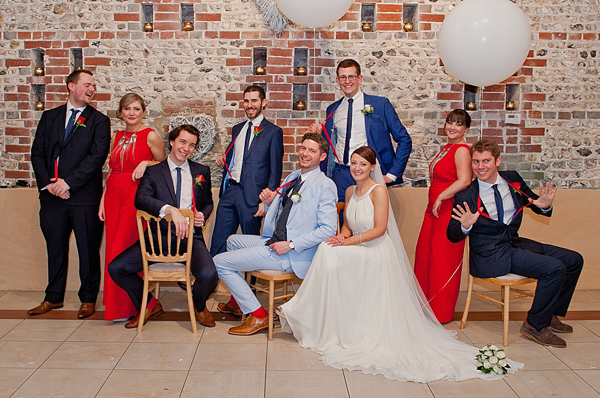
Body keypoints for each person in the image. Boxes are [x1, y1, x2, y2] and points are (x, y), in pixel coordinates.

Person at [278, 146, 522, 382]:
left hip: (375, 250)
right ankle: (324, 319)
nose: (357, 168)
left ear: (372, 167)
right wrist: (342, 236)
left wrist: (349, 241)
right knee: (327, 248)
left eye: (363, 164)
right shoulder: (351, 191)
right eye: (353, 163)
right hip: (355, 246)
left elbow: (380, 230)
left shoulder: (378, 191)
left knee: (328, 253)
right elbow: (347, 225)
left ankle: (299, 310)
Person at [447, 139, 584, 348]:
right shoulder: (466, 194)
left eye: (486, 161)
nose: (480, 167)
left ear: (498, 161)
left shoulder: (512, 180)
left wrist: (544, 206)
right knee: (554, 269)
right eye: (476, 162)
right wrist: (464, 226)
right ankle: (534, 325)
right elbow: (452, 234)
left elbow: (535, 203)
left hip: (514, 243)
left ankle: (549, 314)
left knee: (574, 260)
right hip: (490, 254)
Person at [213, 133, 337, 336]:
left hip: (291, 253)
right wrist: (270, 201)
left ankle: (258, 314)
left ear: (322, 157)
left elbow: (327, 229)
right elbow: (286, 209)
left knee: (219, 262)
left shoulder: (325, 185)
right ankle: (239, 300)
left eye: (312, 151)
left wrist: (291, 245)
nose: (305, 154)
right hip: (273, 240)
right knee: (232, 240)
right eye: (303, 148)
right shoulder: (293, 177)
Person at [108, 124, 218, 329]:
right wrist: (169, 209)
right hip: (157, 238)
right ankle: (149, 304)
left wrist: (203, 214)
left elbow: (208, 202)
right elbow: (140, 199)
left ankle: (198, 305)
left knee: (209, 275)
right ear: (172, 142)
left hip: (189, 238)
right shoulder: (154, 171)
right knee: (117, 268)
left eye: (192, 145)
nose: (186, 148)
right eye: (183, 142)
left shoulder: (201, 171)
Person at [30, 69, 111, 319]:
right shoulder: (50, 117)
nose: (91, 89)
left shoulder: (99, 121)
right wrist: (50, 184)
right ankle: (52, 297)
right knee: (55, 248)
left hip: (84, 197)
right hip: (52, 197)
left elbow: (95, 159)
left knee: (88, 250)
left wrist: (68, 183)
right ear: (71, 86)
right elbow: (37, 154)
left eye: (94, 86)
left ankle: (88, 299)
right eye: (87, 84)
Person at [98, 93, 166, 321]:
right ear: (121, 112)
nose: (131, 113)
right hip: (113, 196)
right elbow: (110, 171)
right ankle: (117, 307)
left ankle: (136, 306)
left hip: (134, 198)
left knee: (123, 250)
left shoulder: (150, 136)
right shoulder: (117, 136)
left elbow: (164, 165)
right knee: (111, 251)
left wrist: (146, 162)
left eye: (136, 109)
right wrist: (102, 200)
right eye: (127, 109)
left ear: (143, 111)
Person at [307, 58, 412, 203]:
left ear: (360, 78)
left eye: (351, 76)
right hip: (341, 174)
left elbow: (404, 140)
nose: (347, 81)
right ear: (337, 80)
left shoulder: (380, 105)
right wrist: (320, 134)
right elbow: (330, 145)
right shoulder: (333, 109)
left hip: (369, 174)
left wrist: (392, 173)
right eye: (343, 77)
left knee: (369, 221)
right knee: (342, 219)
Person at [414, 109, 472, 324]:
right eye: (450, 122)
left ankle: (441, 311)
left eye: (458, 124)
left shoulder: (462, 150)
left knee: (442, 260)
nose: (453, 127)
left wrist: (441, 197)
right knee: (425, 256)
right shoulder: (446, 148)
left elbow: (464, 180)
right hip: (433, 209)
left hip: (447, 209)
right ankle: (425, 305)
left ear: (466, 128)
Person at [211, 85, 283, 257]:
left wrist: (266, 201)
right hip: (230, 192)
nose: (249, 105)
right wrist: (225, 162)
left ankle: (250, 284)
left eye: (254, 100)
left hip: (253, 197)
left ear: (263, 103)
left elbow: (275, 170)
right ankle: (212, 280)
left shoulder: (274, 132)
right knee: (219, 241)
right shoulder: (238, 129)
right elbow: (238, 158)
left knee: (251, 246)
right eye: (246, 101)